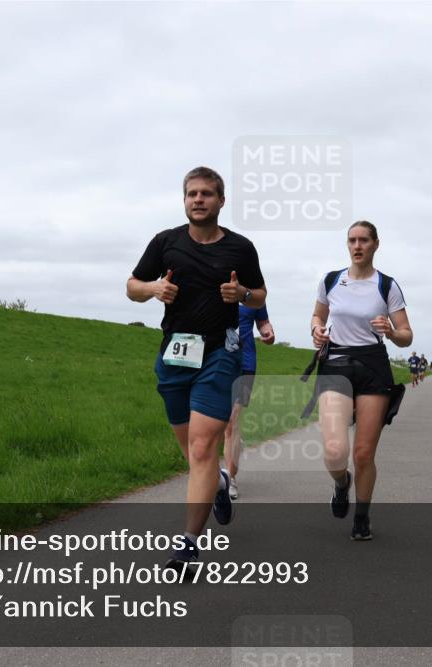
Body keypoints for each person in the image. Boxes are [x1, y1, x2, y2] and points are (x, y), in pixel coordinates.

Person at [127, 166, 267, 570]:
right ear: (185, 200)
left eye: (206, 193)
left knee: (204, 447)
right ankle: (218, 481)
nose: (199, 199)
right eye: (192, 194)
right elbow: (132, 286)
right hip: (175, 352)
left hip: (221, 352)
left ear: (221, 200)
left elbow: (259, 295)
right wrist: (153, 288)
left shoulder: (241, 248)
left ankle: (188, 545)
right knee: (192, 452)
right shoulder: (165, 242)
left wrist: (242, 293)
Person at [308, 221, 413, 540]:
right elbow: (318, 316)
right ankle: (342, 483)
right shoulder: (330, 280)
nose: (357, 246)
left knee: (363, 454)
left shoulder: (387, 285)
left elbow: (406, 335)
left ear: (375, 244)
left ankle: (362, 518)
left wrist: (391, 332)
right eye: (352, 240)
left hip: (372, 366)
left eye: (364, 240)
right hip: (336, 363)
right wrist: (316, 330)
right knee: (334, 451)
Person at [222, 304, 275, 499]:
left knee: (231, 423)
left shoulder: (253, 292)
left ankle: (230, 477)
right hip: (214, 362)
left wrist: (268, 332)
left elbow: (263, 322)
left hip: (245, 364)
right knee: (217, 424)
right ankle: (235, 447)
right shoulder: (210, 287)